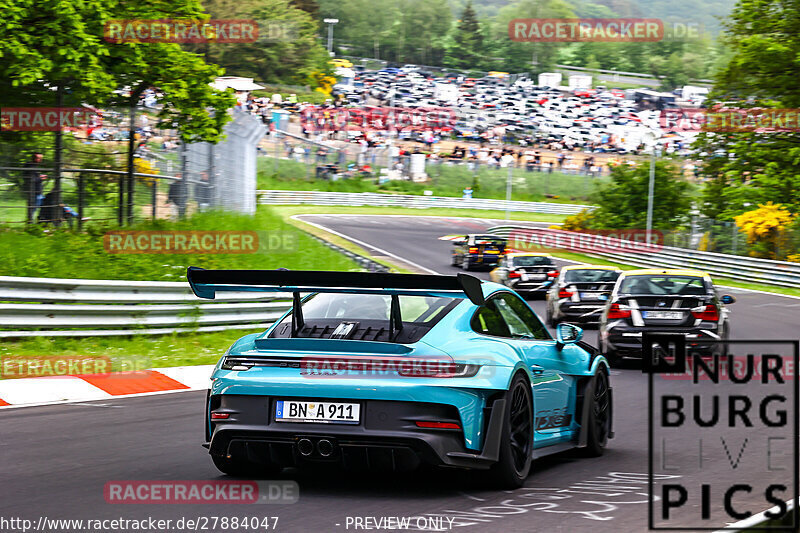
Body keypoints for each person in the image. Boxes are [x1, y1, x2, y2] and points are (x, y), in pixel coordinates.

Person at [23, 153, 47, 223]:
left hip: (37, 191)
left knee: (41, 206)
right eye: (39, 158)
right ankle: (31, 222)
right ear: (35, 158)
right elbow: (31, 180)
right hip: (34, 191)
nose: (40, 160)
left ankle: (39, 220)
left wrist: (39, 177)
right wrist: (40, 178)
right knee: (33, 208)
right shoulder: (30, 167)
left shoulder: (34, 166)